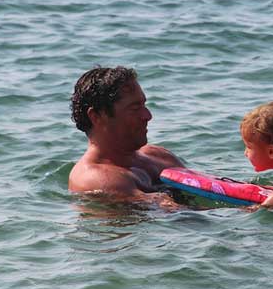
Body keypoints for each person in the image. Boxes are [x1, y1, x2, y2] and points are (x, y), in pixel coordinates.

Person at [69, 66, 186, 207]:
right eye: (135, 109)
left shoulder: (160, 156)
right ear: (97, 116)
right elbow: (173, 214)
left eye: (144, 105)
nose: (148, 116)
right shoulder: (94, 178)